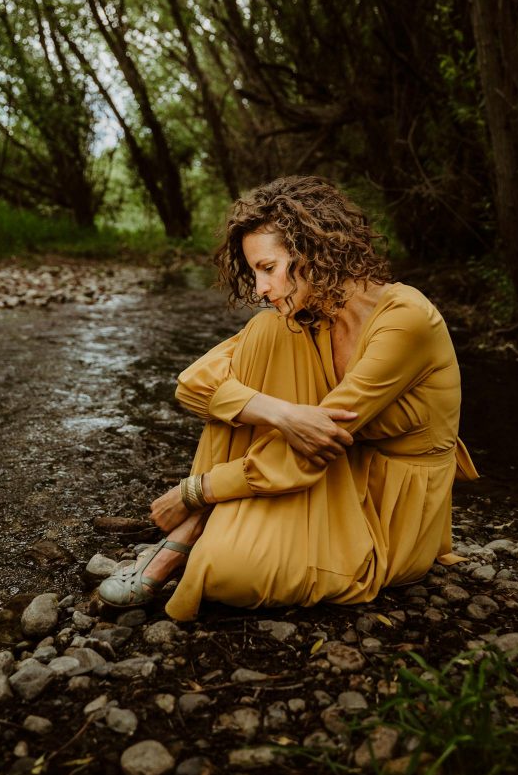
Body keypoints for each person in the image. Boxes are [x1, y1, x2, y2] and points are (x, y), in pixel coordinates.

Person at [99, 175, 478, 619]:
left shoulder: (406, 319)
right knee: (268, 329)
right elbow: (193, 385)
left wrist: (195, 491)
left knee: (221, 573)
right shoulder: (310, 315)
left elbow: (317, 443)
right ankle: (188, 535)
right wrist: (279, 413)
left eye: (268, 268)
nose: (260, 288)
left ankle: (197, 523)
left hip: (386, 505)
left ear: (316, 251)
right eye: (255, 273)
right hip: (325, 470)